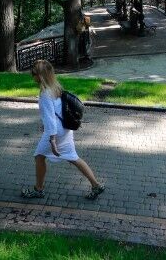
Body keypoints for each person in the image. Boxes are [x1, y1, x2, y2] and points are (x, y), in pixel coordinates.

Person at [21, 59, 105, 200]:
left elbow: (50, 119)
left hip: (55, 133)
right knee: (73, 157)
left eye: (33, 73)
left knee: (39, 157)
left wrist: (52, 140)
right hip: (65, 129)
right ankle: (96, 185)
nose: (32, 76)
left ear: (40, 76)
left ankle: (38, 190)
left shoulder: (45, 94)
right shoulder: (56, 88)